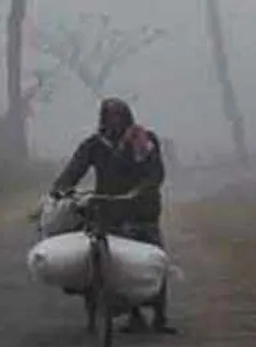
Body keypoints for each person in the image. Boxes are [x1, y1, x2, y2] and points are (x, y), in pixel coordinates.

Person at [49, 97, 176, 334]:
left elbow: (155, 171)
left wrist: (143, 189)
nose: (114, 121)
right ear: (103, 119)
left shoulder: (143, 140)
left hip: (141, 208)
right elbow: (74, 169)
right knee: (118, 264)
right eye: (109, 117)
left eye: (119, 116)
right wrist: (60, 189)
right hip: (108, 207)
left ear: (128, 117)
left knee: (153, 260)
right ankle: (133, 315)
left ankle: (160, 316)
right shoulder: (94, 145)